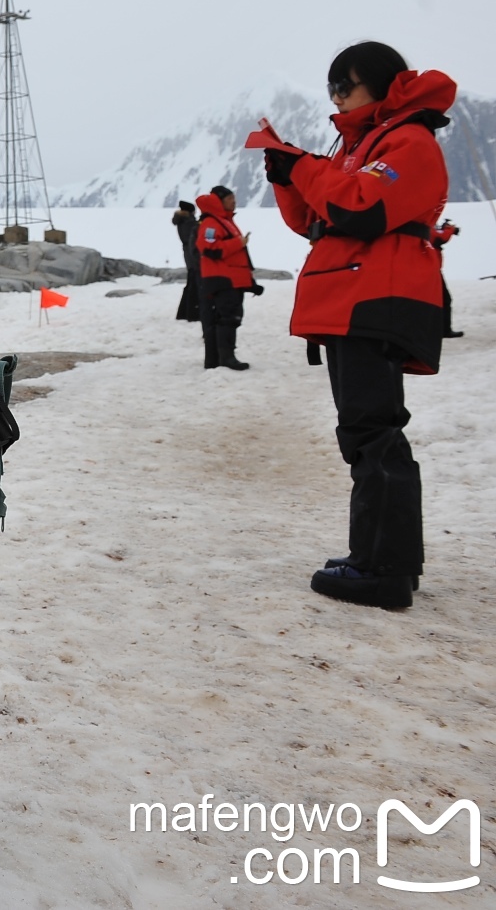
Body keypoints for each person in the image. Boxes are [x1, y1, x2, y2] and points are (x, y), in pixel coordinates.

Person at [258, 42, 455, 610]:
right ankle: (378, 556)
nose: (338, 97)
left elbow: (360, 208)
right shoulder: (359, 146)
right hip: (356, 295)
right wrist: (287, 176)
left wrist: (306, 168)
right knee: (365, 431)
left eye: (346, 84)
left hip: (377, 296)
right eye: (332, 88)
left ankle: (385, 570)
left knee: (373, 431)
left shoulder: (408, 140)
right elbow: (317, 221)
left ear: (385, 84)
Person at [194, 185, 259, 371]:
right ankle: (226, 358)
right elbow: (209, 249)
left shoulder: (223, 221)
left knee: (229, 317)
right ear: (219, 201)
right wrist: (238, 243)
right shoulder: (212, 223)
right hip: (222, 279)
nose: (234, 201)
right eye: (230, 198)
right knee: (227, 318)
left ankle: (218, 359)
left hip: (230, 278)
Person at [172, 199, 201, 322]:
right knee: (194, 282)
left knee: (191, 281)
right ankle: (191, 312)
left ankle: (184, 312)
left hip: (187, 253)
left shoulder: (181, 221)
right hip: (192, 253)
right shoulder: (189, 223)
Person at [434, 219, 462, 338]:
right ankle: (445, 330)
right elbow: (440, 238)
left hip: (430, 269)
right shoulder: (425, 228)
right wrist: (449, 229)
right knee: (444, 300)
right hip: (431, 270)